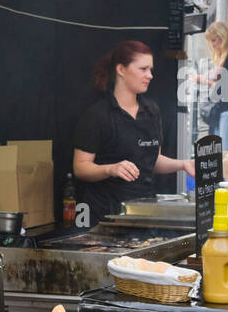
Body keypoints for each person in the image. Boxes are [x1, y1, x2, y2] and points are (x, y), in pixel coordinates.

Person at [72, 40, 194, 225]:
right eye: (143, 69)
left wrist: (183, 164)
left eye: (151, 69)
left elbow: (153, 160)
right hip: (105, 215)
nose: (150, 75)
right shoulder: (98, 115)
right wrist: (110, 169)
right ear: (121, 70)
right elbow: (80, 167)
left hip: (143, 212)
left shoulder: (151, 110)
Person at [199, 21, 228, 151]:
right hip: (223, 110)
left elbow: (227, 88)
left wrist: (204, 80)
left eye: (214, 40)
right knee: (220, 156)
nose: (212, 45)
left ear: (223, 37)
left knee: (227, 156)